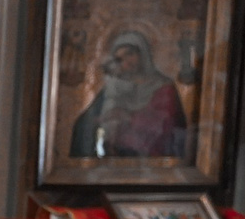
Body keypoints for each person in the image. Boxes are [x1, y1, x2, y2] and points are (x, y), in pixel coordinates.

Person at [68, 31, 189, 160]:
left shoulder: (164, 86)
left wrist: (127, 116)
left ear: (143, 53)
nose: (126, 62)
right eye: (120, 59)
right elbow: (86, 120)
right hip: (114, 160)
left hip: (153, 160)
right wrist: (95, 122)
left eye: (130, 54)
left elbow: (169, 124)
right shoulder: (113, 87)